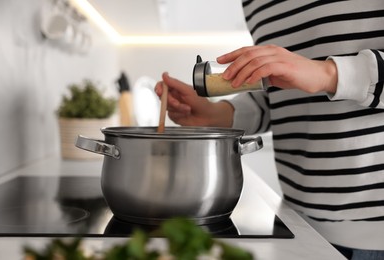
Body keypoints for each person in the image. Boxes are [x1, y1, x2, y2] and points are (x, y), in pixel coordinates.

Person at [155, 1, 384, 259]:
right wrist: (218, 115)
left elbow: (308, 75)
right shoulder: (253, 3)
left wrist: (327, 73)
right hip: (295, 221)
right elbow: (277, 92)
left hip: (374, 234)